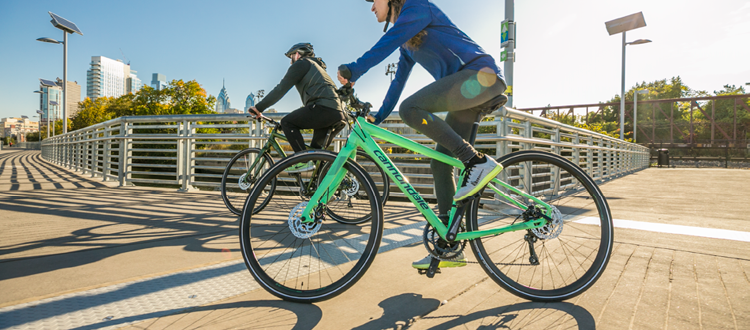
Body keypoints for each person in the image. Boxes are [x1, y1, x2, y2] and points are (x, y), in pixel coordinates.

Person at [337, 0, 507, 269]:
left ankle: (476, 162)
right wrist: (378, 116)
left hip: (480, 78)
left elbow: (389, 41)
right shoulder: (409, 43)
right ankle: (448, 244)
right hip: (468, 92)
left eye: (373, 0)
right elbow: (398, 82)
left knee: (411, 108)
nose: (371, 7)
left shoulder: (418, 7)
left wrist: (355, 68)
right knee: (440, 163)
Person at [249, 43, 347, 172]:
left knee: (287, 122)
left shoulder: (302, 63)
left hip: (324, 108)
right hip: (338, 113)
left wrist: (259, 108)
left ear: (297, 54)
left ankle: (303, 161)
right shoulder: (317, 68)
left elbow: (281, 89)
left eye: (291, 57)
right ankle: (321, 189)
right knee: (316, 156)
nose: (291, 62)